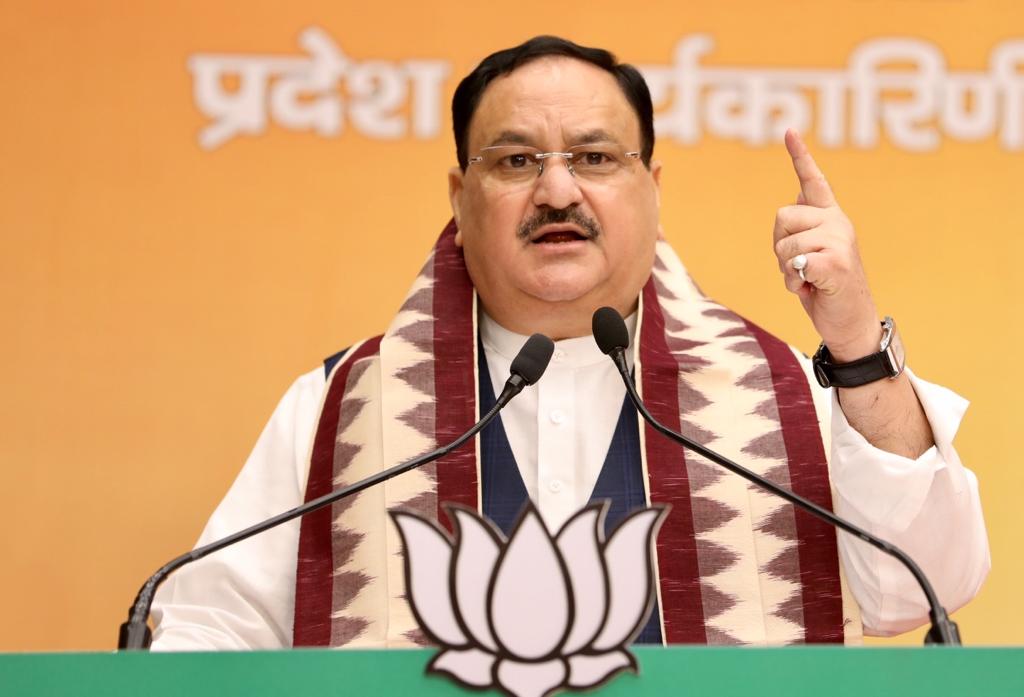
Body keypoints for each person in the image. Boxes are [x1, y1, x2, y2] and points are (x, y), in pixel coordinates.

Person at [151, 36, 988, 650]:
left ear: (652, 190)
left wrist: (854, 341)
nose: (557, 189)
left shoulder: (776, 396)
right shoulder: (342, 405)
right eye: (516, 160)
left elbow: (925, 590)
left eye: (593, 155)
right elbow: (207, 626)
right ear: (461, 193)